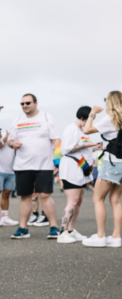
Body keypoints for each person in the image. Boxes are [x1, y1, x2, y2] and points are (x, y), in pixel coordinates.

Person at [81, 91, 122, 248]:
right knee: (115, 200)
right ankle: (116, 237)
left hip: (112, 164)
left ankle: (101, 236)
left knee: (98, 199)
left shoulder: (110, 119)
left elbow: (86, 130)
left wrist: (92, 113)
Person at [8, 94, 61, 239]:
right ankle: (23, 229)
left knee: (44, 194)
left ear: (36, 103)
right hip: (22, 165)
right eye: (22, 103)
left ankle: (54, 227)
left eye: (28, 103)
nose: (24, 105)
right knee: (25, 196)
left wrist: (57, 163)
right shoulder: (17, 120)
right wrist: (13, 144)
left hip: (44, 165)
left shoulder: (47, 117)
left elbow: (57, 141)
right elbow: (10, 140)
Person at [57, 106, 100, 244]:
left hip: (82, 167)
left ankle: (71, 230)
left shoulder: (82, 130)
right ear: (83, 118)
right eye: (89, 119)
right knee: (73, 201)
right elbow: (66, 149)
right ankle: (62, 232)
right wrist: (86, 145)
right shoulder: (71, 128)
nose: (90, 123)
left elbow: (82, 150)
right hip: (71, 168)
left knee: (79, 201)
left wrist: (94, 148)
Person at [0, 125, 19, 227]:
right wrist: (6, 137)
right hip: (0, 170)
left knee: (6, 194)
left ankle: (5, 218)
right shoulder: (3, 134)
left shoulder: (19, 139)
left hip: (11, 172)